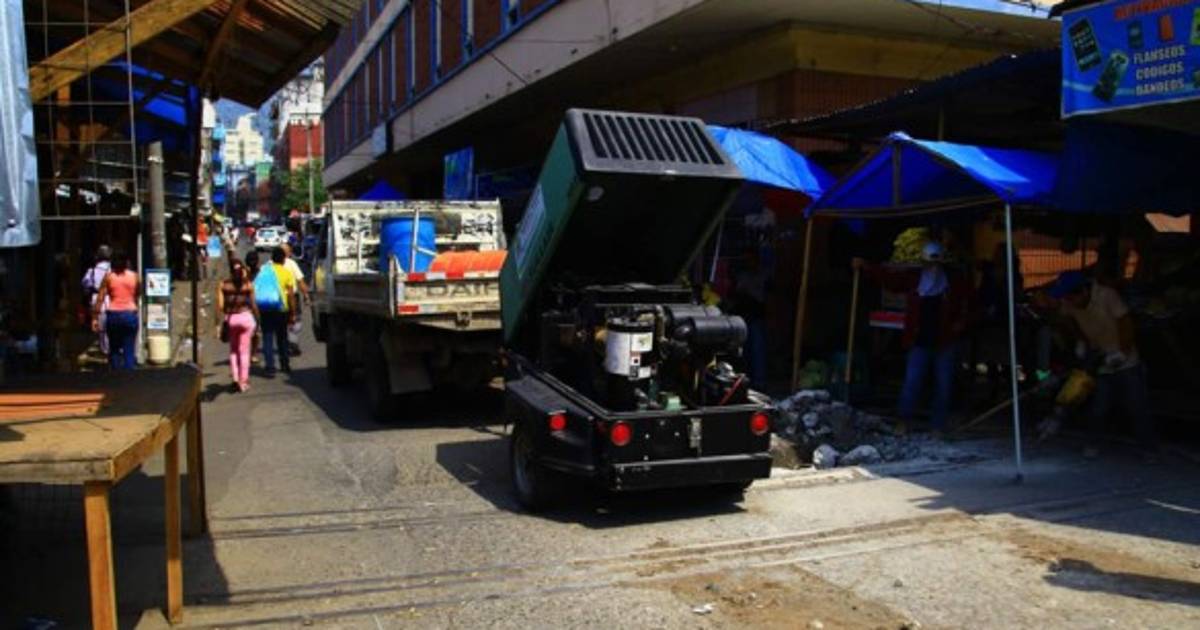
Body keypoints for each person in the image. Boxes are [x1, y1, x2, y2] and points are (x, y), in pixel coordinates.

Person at [854, 241, 973, 434]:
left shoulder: (953, 282)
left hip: (945, 340)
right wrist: (867, 267)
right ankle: (904, 420)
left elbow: (969, 304)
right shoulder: (914, 278)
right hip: (919, 340)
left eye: (936, 263)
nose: (933, 267)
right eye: (929, 263)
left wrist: (960, 323)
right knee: (912, 382)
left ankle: (938, 425)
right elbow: (891, 280)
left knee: (943, 385)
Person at [1048, 270, 1155, 459]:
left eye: (1071, 297)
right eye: (1065, 298)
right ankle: (1093, 442)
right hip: (1100, 358)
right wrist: (1081, 341)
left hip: (1126, 360)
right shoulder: (1069, 303)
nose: (1068, 301)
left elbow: (1126, 323)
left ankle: (1148, 448)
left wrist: (1122, 352)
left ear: (1083, 291)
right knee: (1099, 407)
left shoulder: (1107, 296)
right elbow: (1069, 321)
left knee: (1137, 406)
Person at [92, 249, 140, 370]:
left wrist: (95, 318)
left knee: (114, 348)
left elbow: (100, 298)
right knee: (129, 348)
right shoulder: (135, 276)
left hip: (113, 315)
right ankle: (129, 375)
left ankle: (115, 374)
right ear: (127, 262)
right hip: (130, 314)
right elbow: (138, 294)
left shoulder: (109, 277)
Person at [217, 259, 259, 392]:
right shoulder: (248, 285)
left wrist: (218, 323)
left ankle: (235, 379)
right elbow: (254, 305)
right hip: (246, 319)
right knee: (244, 352)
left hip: (232, 319)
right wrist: (258, 319)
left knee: (234, 350)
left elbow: (220, 306)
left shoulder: (223, 285)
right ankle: (243, 381)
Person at [254, 246, 297, 376]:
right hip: (281, 309)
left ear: (272, 259)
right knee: (282, 338)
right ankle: (285, 364)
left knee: (267, 338)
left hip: (265, 308)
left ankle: (270, 367)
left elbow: (255, 288)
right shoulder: (286, 273)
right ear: (284, 259)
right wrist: (293, 313)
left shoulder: (264, 271)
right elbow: (291, 295)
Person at [82, 245, 112, 355]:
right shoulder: (113, 269)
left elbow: (86, 284)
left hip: (97, 300)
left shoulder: (92, 271)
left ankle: (105, 350)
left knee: (101, 328)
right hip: (112, 300)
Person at [281, 243, 310, 356]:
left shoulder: (269, 264)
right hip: (290, 297)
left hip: (280, 298)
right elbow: (300, 280)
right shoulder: (291, 263)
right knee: (295, 321)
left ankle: (289, 342)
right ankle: (291, 342)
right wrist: (306, 295)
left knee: (286, 321)